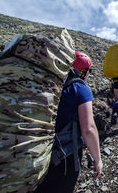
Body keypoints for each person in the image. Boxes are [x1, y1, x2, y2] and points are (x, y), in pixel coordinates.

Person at [35, 51, 103, 193]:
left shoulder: (49, 84)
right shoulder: (80, 88)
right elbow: (88, 129)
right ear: (83, 71)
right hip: (65, 155)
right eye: (89, 71)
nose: (89, 74)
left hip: (39, 151)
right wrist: (98, 160)